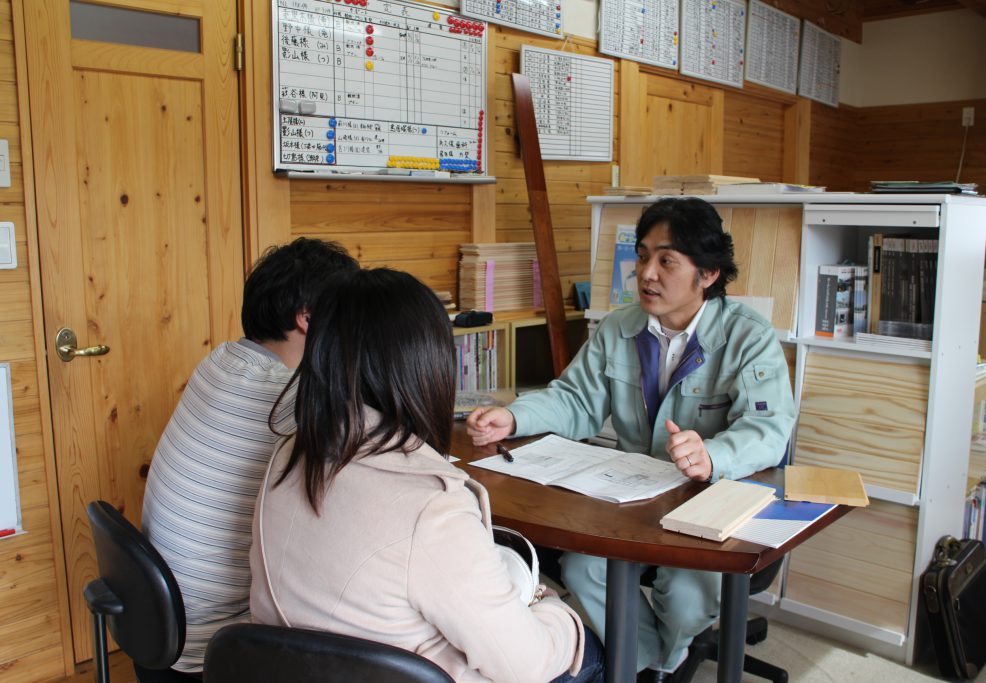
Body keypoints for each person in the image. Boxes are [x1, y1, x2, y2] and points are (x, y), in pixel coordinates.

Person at [467, 197, 796, 679]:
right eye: (643, 257)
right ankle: (649, 663)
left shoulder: (749, 337)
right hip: (633, 500)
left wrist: (713, 454)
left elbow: (768, 430)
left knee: (686, 596)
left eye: (667, 261)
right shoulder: (619, 327)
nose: (646, 274)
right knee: (582, 570)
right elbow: (575, 400)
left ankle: (662, 657)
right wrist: (514, 418)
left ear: (707, 274)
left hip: (711, 501)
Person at [249, 268, 604, 683]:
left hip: (292, 671)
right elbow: (525, 665)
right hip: (404, 671)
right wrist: (556, 611)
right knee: (588, 651)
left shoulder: (288, 455)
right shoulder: (432, 505)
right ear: (426, 364)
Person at [141, 238, 359, 673]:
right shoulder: (292, 399)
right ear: (307, 318)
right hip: (215, 645)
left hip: (157, 624)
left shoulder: (218, 361)